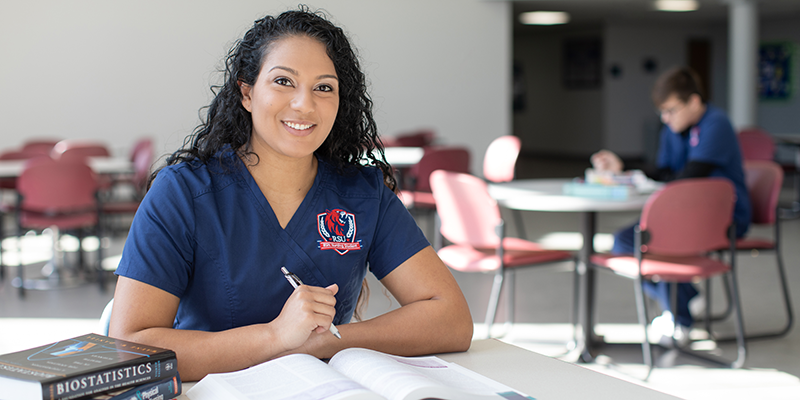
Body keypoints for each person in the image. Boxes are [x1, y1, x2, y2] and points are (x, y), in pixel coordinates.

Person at [108, 7, 473, 381]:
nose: (304, 104)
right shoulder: (183, 192)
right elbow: (129, 347)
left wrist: (331, 342)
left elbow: (451, 318)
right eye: (284, 82)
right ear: (247, 93)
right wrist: (275, 336)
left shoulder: (362, 194)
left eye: (324, 87)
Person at [590, 66, 751, 344]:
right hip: (685, 217)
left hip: (724, 219)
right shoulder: (672, 131)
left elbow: (691, 175)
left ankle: (680, 320)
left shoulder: (716, 124)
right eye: (661, 112)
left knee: (660, 243)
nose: (666, 118)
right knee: (623, 244)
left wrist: (646, 179)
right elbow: (662, 172)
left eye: (671, 110)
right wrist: (623, 169)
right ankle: (685, 297)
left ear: (694, 102)